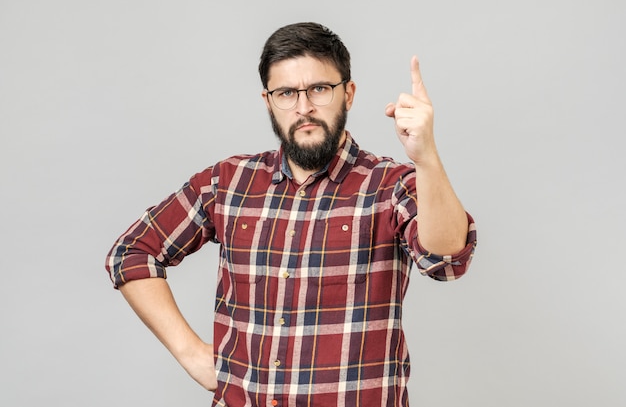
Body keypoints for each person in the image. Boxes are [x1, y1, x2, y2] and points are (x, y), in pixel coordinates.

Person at [106, 22, 477, 407]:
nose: (304, 108)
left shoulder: (391, 185)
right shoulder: (228, 182)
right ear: (268, 102)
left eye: (319, 89)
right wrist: (191, 353)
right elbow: (131, 253)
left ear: (348, 94)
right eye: (286, 93)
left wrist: (426, 158)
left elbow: (447, 260)